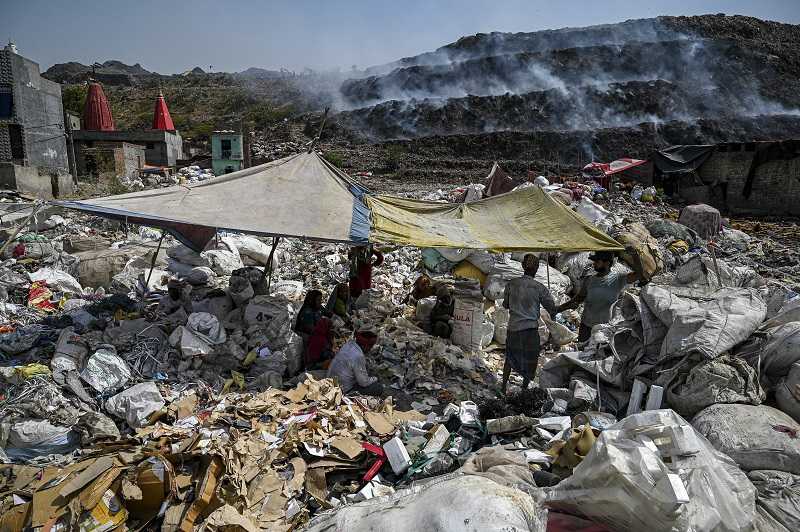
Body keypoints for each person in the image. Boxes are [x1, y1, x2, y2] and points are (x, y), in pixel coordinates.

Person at [556, 250, 642, 343]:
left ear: (607, 263)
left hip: (605, 328)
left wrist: (636, 257)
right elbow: (579, 298)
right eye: (594, 261)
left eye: (597, 261)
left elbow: (639, 274)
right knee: (582, 352)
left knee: (601, 354)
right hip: (586, 326)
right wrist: (559, 309)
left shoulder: (618, 278)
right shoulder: (589, 280)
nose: (594, 264)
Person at [501, 254, 557, 394]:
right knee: (530, 360)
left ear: (522, 267)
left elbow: (506, 305)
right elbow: (551, 308)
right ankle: (524, 389)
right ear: (537, 269)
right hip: (530, 330)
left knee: (510, 357)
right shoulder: (539, 287)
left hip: (513, 328)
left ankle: (502, 386)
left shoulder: (511, 284)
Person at [327, 326, 383, 396]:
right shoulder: (358, 356)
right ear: (365, 346)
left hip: (330, 380)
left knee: (366, 372)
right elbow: (363, 382)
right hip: (343, 389)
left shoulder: (349, 344)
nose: (370, 349)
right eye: (370, 347)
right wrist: (375, 378)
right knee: (378, 388)